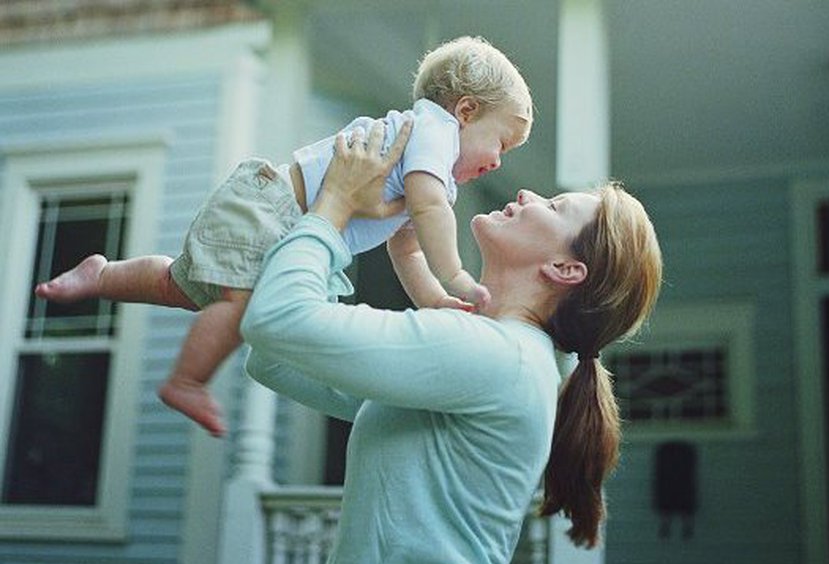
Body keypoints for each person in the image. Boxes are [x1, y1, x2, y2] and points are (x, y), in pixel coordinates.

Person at [33, 36, 533, 437]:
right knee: (244, 305)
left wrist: (435, 299)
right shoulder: (434, 131)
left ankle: (102, 275)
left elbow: (407, 246)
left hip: (278, 221)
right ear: (465, 111)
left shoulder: (434, 169)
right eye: (502, 142)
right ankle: (187, 380)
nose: (498, 161)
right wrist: (459, 276)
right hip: (271, 210)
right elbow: (426, 211)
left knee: (179, 287)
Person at [240, 122, 663, 564]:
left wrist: (334, 205)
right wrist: (351, 229)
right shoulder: (498, 357)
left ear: (565, 270)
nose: (527, 194)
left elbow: (277, 321)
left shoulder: (499, 357)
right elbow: (273, 358)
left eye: (555, 207)